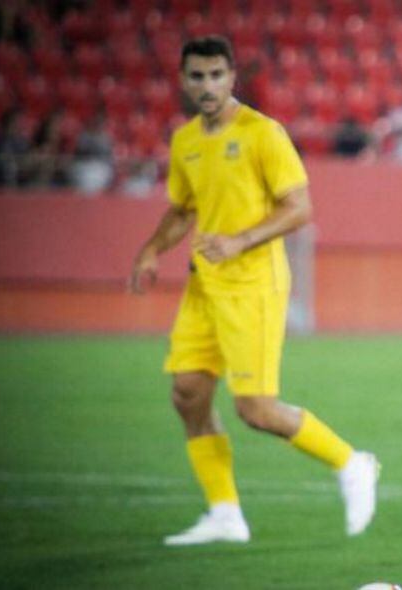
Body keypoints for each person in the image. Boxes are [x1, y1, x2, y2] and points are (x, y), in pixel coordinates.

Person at [129, 36, 378, 546]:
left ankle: (352, 463)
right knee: (188, 393)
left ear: (231, 77)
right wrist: (151, 250)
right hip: (204, 286)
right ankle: (225, 514)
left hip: (253, 285)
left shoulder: (263, 133)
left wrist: (239, 241)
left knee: (255, 410)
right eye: (197, 76)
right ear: (183, 80)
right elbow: (182, 210)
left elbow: (299, 208)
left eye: (216, 75)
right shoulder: (186, 141)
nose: (207, 85)